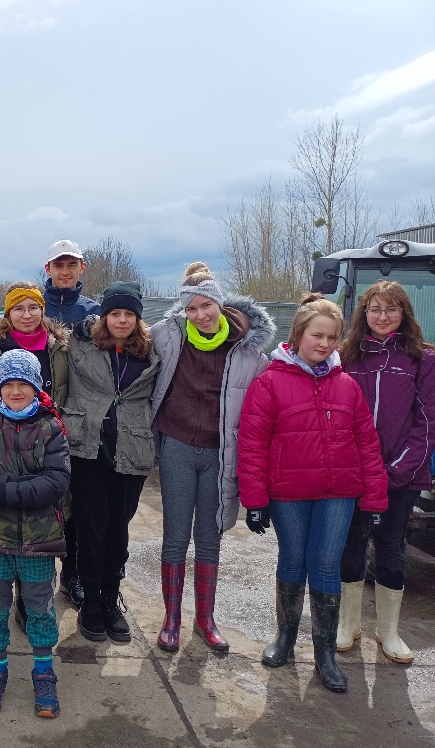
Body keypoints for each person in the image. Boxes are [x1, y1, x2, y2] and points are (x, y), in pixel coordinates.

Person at [239, 294, 388, 693]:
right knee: (292, 559)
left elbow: (367, 445)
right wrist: (255, 500)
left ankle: (325, 654)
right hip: (288, 494)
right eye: (316, 335)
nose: (324, 343)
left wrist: (374, 499)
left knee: (324, 565)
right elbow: (252, 444)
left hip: (337, 495)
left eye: (331, 337)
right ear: (298, 334)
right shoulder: (269, 382)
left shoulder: (347, 387)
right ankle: (285, 638)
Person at [150, 262, 274, 653]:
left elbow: (268, 402)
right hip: (177, 447)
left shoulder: (249, 352)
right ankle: (171, 618)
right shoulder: (168, 336)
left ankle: (205, 619)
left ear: (220, 303)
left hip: (220, 454)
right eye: (191, 308)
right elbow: (127, 338)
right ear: (182, 310)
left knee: (209, 536)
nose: (200, 315)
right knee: (174, 536)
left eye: (206, 305)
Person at [0, 349, 71, 719]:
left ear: (36, 387)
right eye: (9, 384)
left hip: (39, 540)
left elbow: (56, 481)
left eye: (24, 384)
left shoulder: (51, 427)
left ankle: (44, 671)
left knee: (39, 607)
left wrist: (5, 492)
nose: (16, 391)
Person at [337, 281, 435, 665]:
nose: (382, 317)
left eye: (391, 309)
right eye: (375, 309)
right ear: (364, 314)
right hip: (354, 474)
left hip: (401, 476)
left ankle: (388, 631)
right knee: (351, 544)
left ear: (403, 314)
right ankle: (348, 625)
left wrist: (396, 471)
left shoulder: (423, 359)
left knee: (391, 549)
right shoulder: (347, 356)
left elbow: (426, 423)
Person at [0, 281, 69, 630]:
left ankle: (31, 615)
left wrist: (5, 490)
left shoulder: (59, 350)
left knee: (36, 580)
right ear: (7, 313)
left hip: (39, 487)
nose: (26, 314)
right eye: (18, 308)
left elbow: (55, 480)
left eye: (33, 307)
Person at [64, 282, 159, 642]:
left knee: (118, 531)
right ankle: (90, 600)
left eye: (128, 314)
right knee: (91, 531)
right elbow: (40, 336)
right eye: (114, 313)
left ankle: (109, 598)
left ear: (138, 318)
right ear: (103, 316)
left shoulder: (151, 351)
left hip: (130, 451)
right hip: (88, 449)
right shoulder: (82, 344)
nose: (121, 320)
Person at [43, 239, 101, 607]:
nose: (65, 271)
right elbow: (7, 327)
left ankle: (73, 570)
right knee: (45, 498)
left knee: (78, 501)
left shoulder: (94, 311)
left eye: (71, 264)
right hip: (41, 414)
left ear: (82, 267)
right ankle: (39, 571)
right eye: (58, 265)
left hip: (82, 416)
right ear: (48, 269)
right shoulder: (35, 306)